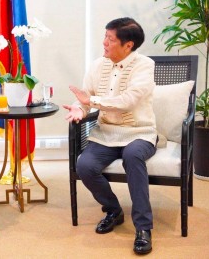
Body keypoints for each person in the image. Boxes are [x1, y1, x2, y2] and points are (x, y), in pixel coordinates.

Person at [63, 17, 156, 255]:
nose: (104, 42)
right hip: (106, 133)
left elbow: (129, 101)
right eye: (105, 36)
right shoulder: (97, 65)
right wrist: (79, 109)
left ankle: (143, 228)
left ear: (128, 45)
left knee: (134, 156)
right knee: (84, 165)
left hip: (139, 132)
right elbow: (85, 97)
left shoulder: (144, 65)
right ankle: (113, 209)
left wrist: (90, 102)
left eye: (110, 39)